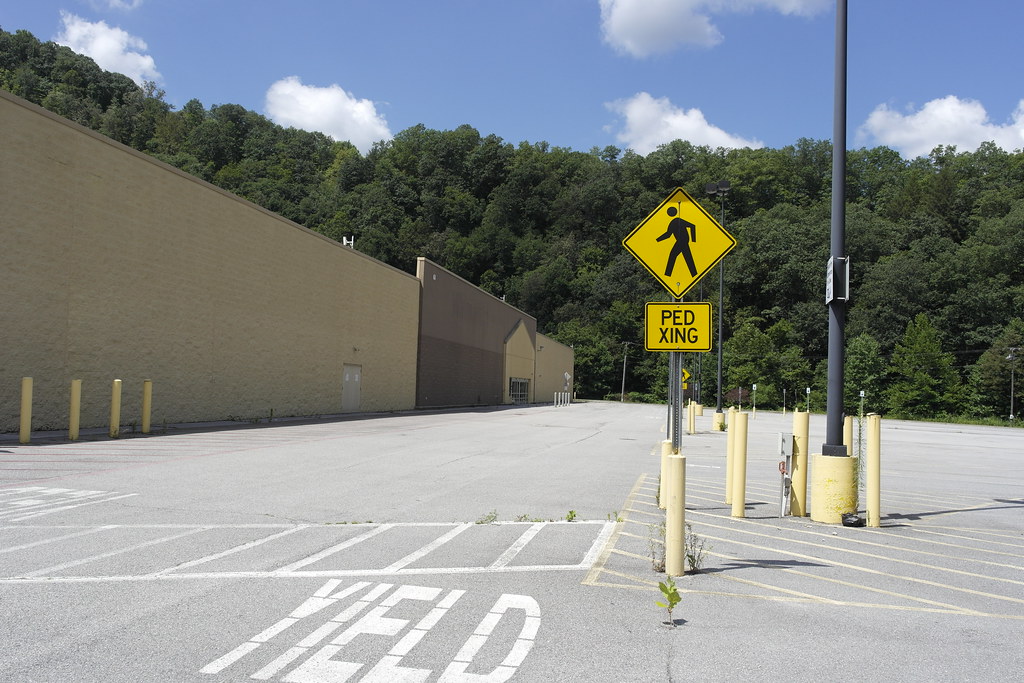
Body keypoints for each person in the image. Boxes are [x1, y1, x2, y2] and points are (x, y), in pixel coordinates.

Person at [656, 206, 697, 278]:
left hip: (682, 241)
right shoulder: (673, 222)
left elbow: (693, 226)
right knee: (688, 257)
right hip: (682, 241)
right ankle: (694, 274)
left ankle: (668, 274)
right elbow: (668, 234)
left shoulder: (677, 220)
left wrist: (694, 240)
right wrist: (657, 240)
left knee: (673, 255)